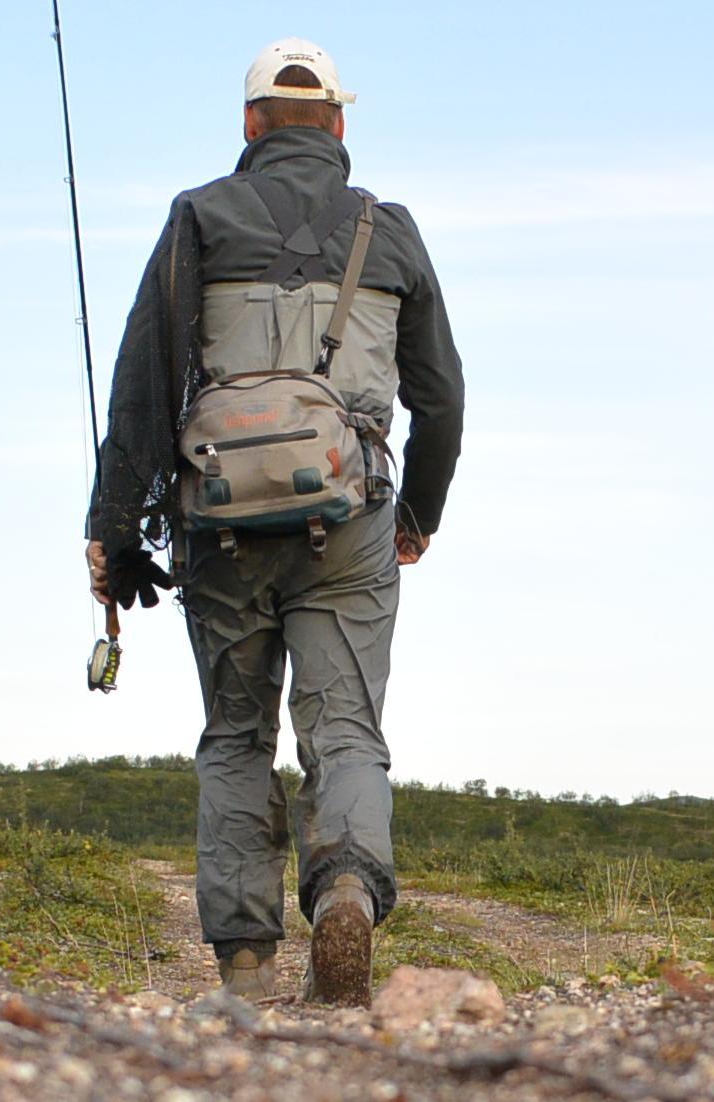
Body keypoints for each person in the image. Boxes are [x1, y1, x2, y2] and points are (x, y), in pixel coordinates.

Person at [85, 37, 464, 1006]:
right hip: (353, 521)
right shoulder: (393, 231)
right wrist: (416, 513)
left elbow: (143, 383)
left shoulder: (199, 216)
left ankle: (246, 969)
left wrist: (114, 528)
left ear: (251, 124)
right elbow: (442, 398)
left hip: (217, 526)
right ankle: (344, 886)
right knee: (345, 731)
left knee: (236, 735)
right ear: (339, 124)